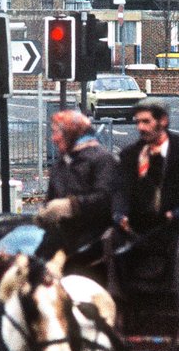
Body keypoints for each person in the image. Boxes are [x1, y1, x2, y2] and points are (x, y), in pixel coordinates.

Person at [113, 98, 179, 347]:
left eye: (146, 121)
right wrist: (120, 214)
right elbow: (120, 192)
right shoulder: (130, 156)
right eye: (137, 122)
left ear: (163, 122)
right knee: (108, 242)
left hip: (174, 230)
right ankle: (116, 313)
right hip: (138, 231)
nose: (140, 127)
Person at [36, 110, 119, 283]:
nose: (54, 138)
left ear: (71, 133)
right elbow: (52, 201)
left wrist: (71, 206)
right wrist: (44, 215)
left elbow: (107, 199)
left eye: (57, 132)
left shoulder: (102, 159)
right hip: (59, 244)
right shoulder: (60, 164)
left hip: (92, 249)